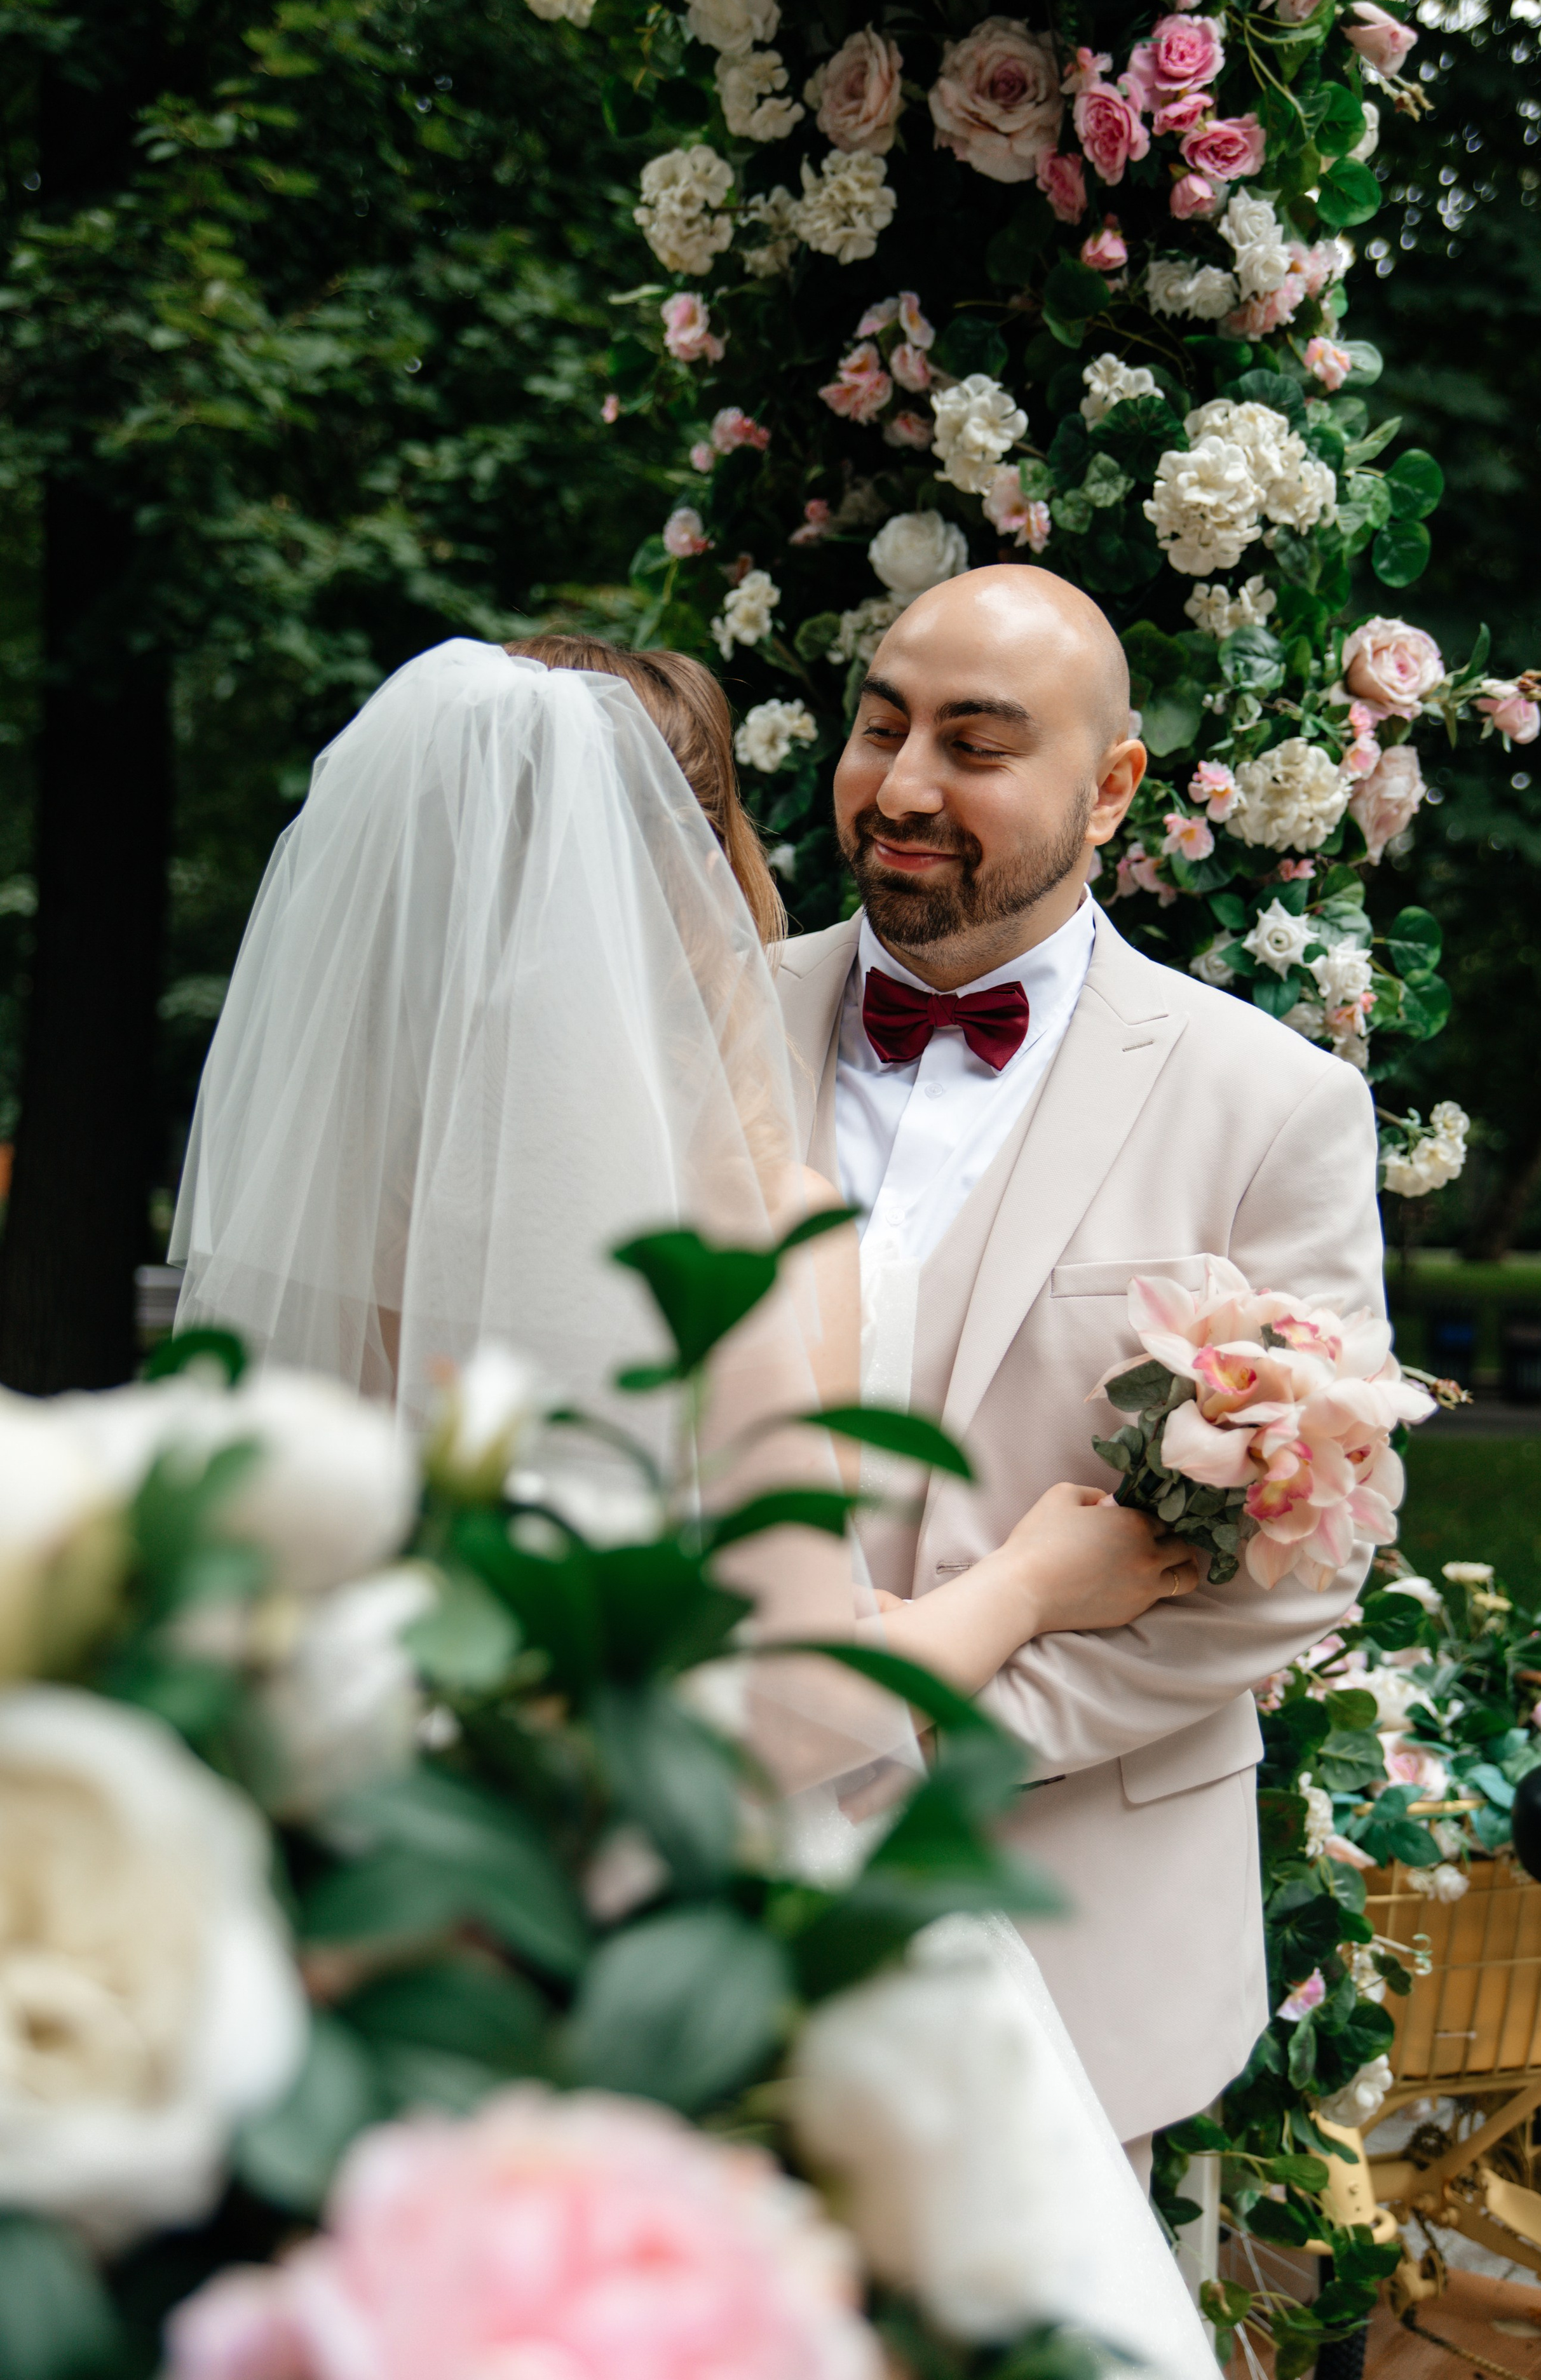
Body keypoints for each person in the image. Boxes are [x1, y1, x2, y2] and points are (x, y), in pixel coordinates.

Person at [168, 631, 1214, 2376]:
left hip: (384, 1931)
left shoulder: (324, 1228)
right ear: (704, 854)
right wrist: (1036, 1577)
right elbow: (793, 1710)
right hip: (692, 1955)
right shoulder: (741, 1225)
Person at [773, 565, 1386, 2186]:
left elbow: (1292, 1561)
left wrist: (878, 1745)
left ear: (1112, 788)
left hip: (1071, 1943)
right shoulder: (689, 1037)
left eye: (974, 745)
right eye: (880, 725)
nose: (901, 788)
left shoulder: (1270, 1106)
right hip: (701, 1899)